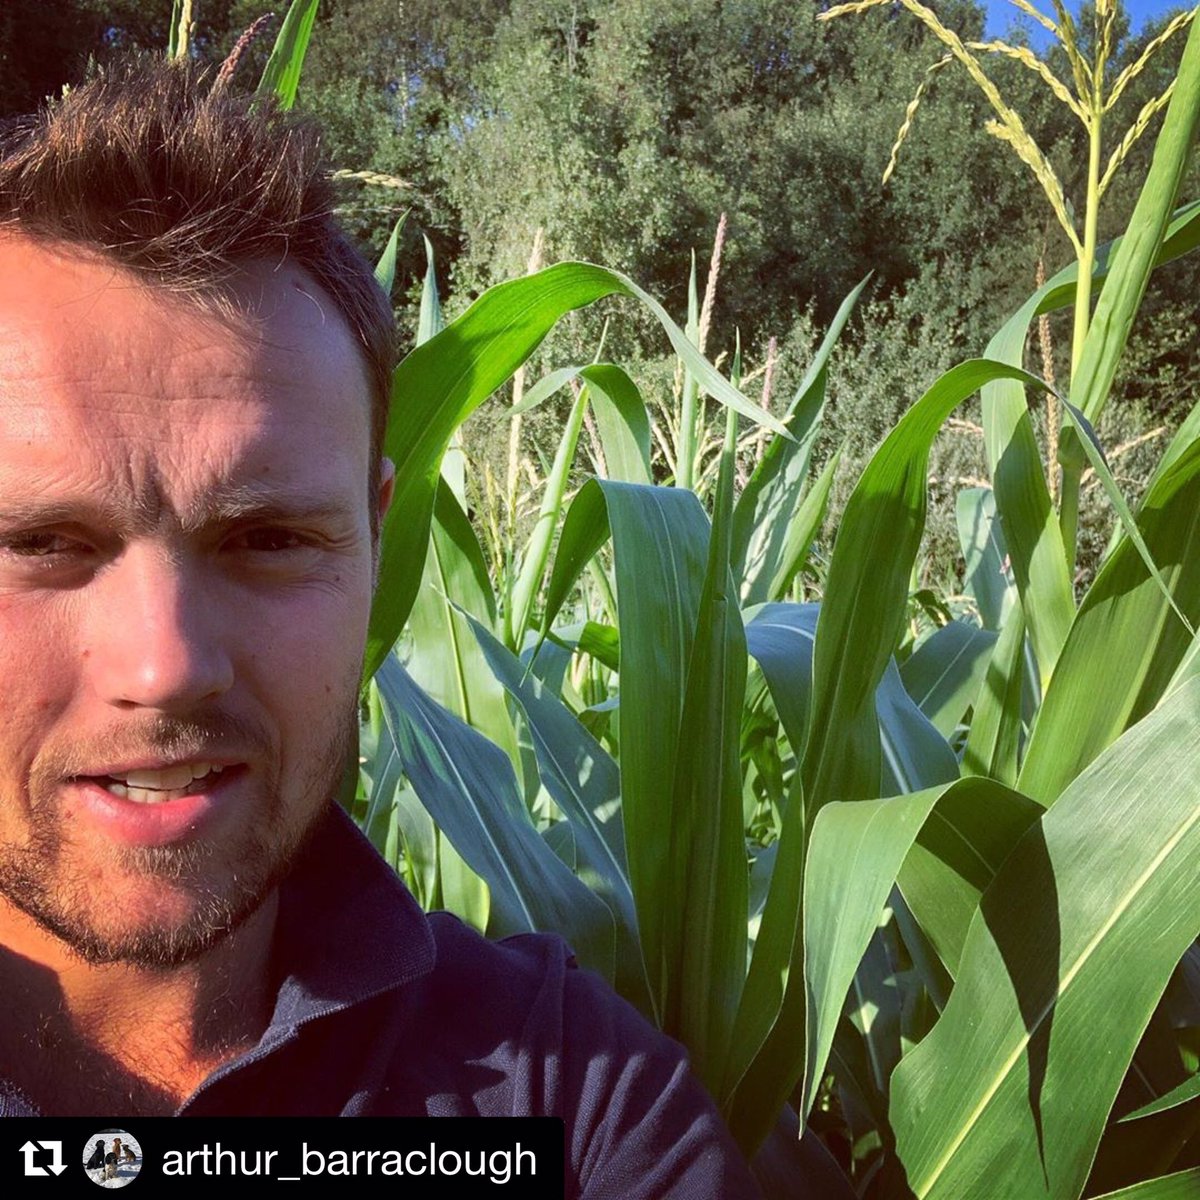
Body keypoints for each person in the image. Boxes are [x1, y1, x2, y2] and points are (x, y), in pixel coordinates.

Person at [0, 56, 762, 1199]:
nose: (163, 668)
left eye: (266, 541)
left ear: (376, 540)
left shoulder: (573, 1102)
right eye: (43, 544)